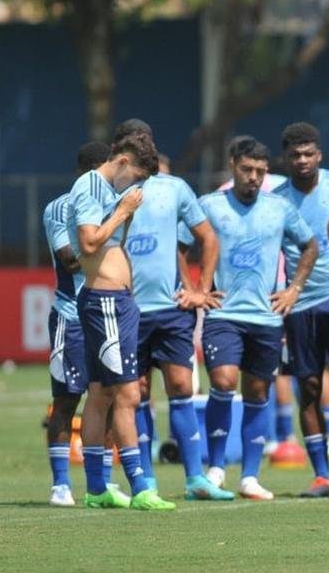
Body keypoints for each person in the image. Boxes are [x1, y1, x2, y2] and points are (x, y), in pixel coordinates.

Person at [199, 137, 318, 501]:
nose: (253, 177)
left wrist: (294, 289)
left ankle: (249, 476)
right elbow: (180, 244)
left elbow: (310, 244)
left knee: (257, 390)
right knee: (223, 380)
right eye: (247, 170)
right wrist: (195, 288)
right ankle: (216, 468)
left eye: (261, 172)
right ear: (232, 165)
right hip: (223, 312)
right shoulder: (210, 206)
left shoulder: (278, 208)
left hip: (266, 316)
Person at [68, 130, 175, 510]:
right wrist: (123, 212)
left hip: (114, 302)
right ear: (124, 162)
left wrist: (124, 212)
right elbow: (89, 242)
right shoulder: (90, 187)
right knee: (129, 394)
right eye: (140, 177)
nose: (139, 185)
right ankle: (141, 486)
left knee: (100, 394)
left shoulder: (107, 193)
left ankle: (97, 488)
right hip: (106, 302)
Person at [126, 134, 229, 500]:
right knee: (136, 393)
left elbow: (207, 238)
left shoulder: (174, 189)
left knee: (182, 389)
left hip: (171, 310)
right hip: (128, 311)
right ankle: (146, 483)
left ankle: (194, 479)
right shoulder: (108, 190)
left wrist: (200, 290)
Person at [272, 122, 329, 498]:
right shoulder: (276, 200)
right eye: (295, 155)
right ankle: (322, 476)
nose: (303, 160)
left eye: (309, 153)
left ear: (320, 155)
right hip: (298, 304)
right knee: (308, 387)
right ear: (286, 159)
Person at [42, 141, 113, 506]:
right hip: (71, 317)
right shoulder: (59, 209)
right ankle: (60, 484)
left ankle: (102, 482)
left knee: (109, 398)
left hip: (108, 315)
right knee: (66, 399)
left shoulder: (113, 204)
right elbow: (70, 260)